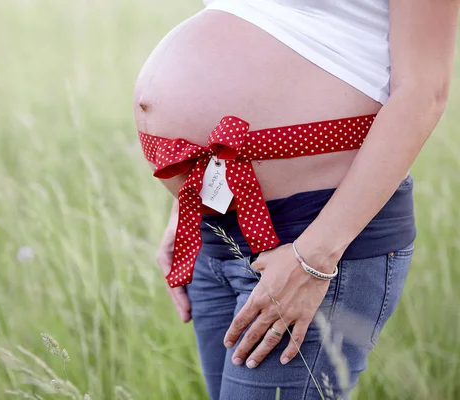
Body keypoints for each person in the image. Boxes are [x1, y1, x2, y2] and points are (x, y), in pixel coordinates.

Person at [132, 0, 459, 399]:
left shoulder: (314, 253)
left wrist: (315, 259)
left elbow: (425, 91)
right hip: (212, 228)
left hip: (313, 236)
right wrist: (186, 204)